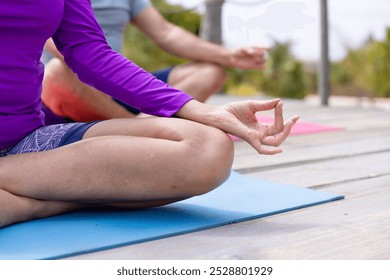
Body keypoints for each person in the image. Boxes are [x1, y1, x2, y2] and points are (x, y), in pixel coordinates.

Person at [0, 0, 298, 228]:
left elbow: (89, 51)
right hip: (30, 151)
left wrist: (200, 111)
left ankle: (35, 203)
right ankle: (50, 192)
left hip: (25, 144)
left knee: (208, 149)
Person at [41, 0, 269, 122]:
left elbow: (166, 33)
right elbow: (81, 54)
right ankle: (143, 128)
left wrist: (229, 56)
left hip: (116, 87)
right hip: (71, 87)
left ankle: (141, 124)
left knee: (210, 71)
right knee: (57, 70)